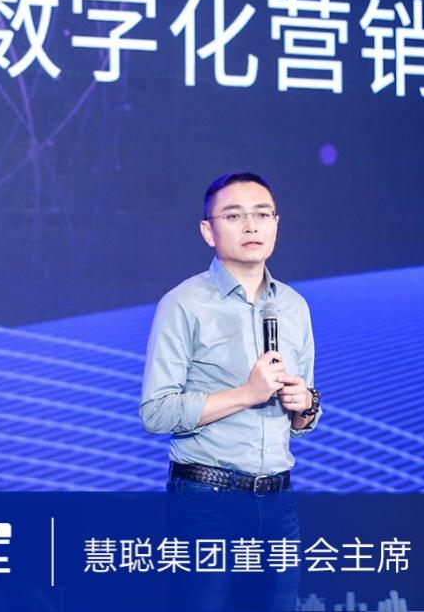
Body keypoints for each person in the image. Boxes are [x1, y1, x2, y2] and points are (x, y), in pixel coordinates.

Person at [140, 171, 321, 611]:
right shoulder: (184, 303)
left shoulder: (294, 306)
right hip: (207, 502)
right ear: (208, 230)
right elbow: (156, 412)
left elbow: (302, 419)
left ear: (276, 223)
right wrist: (246, 393)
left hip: (279, 502)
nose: (251, 226)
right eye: (234, 216)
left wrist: (305, 405)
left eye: (262, 214)